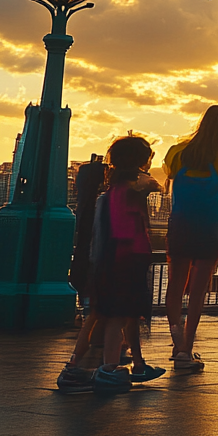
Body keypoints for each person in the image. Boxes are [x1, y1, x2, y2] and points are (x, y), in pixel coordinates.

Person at [56, 137, 166, 394]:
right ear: (140, 161)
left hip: (107, 263)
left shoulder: (111, 191)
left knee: (100, 315)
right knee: (118, 317)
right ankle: (109, 369)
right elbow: (127, 231)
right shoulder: (130, 191)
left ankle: (73, 367)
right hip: (126, 262)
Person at [163, 105, 218, 371]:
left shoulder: (178, 152)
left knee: (175, 285)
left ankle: (176, 343)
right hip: (211, 228)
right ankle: (187, 349)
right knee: (198, 291)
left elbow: (170, 177)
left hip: (180, 226)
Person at [69, 153, 107, 313]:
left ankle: (82, 304)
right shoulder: (104, 204)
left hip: (83, 260)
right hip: (99, 262)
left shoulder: (82, 208)